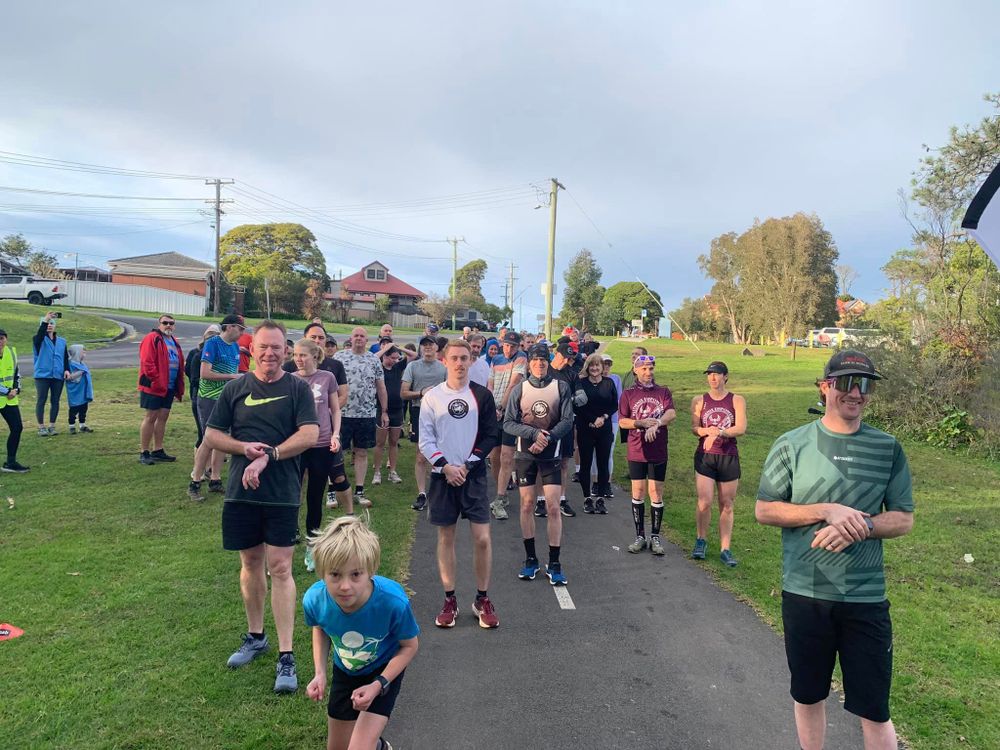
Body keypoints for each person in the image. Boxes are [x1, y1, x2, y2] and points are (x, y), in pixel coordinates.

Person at [755, 350, 914, 750]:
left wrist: (861, 526)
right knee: (808, 695)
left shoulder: (887, 447)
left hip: (865, 598)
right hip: (806, 594)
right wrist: (826, 510)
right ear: (825, 387)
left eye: (865, 385)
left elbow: (903, 518)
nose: (856, 393)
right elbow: (765, 509)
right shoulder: (791, 444)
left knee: (875, 707)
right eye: (845, 383)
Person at [204, 320, 319, 694]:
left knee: (281, 566)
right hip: (240, 491)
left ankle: (287, 654)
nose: (270, 353)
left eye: (276, 348)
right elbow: (213, 434)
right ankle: (256, 637)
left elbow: (309, 433)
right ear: (252, 350)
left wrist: (269, 454)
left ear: (287, 352)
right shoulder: (236, 388)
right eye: (263, 347)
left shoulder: (298, 388)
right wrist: (244, 449)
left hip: (281, 492)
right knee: (250, 563)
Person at [304, 516, 419, 750]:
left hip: (383, 670)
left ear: (370, 571)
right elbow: (320, 628)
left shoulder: (392, 602)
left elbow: (410, 646)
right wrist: (320, 673)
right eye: (335, 575)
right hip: (346, 670)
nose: (345, 586)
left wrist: (378, 685)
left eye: (355, 574)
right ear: (322, 572)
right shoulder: (315, 600)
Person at [418, 339, 500, 628]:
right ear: (444, 361)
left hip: (473, 476)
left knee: (482, 539)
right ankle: (449, 599)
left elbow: (492, 435)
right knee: (446, 538)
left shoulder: (482, 396)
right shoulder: (432, 397)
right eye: (454, 358)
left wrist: (467, 465)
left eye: (465, 358)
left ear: (471, 361)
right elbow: (425, 440)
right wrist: (445, 466)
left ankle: (482, 598)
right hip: (443, 478)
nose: (460, 363)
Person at [504, 344, 575, 586]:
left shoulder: (561, 387)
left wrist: (548, 437)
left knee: (554, 507)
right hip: (526, 455)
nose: (539, 364)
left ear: (549, 362)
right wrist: (534, 435)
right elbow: (509, 423)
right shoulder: (520, 389)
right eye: (535, 360)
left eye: (543, 360)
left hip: (551, 454)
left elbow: (567, 420)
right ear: (530, 363)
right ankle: (531, 559)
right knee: (526, 505)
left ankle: (554, 563)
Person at [292, 339, 349, 571]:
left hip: (322, 444)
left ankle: (312, 546)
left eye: (303, 355)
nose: (298, 359)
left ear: (315, 356)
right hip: (296, 444)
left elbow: (335, 410)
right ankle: (285, 541)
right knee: (291, 493)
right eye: (295, 354)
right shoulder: (291, 379)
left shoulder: (327, 378)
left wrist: (335, 435)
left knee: (315, 497)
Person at [618, 354, 676, 556]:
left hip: (658, 449)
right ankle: (640, 536)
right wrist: (641, 423)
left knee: (656, 492)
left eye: (651, 368)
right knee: (638, 491)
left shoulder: (663, 391)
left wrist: (657, 423)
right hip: (637, 449)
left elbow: (671, 414)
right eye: (643, 369)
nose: (648, 372)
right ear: (635, 370)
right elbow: (622, 421)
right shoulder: (628, 394)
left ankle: (655, 537)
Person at [691, 361, 747, 567]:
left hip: (728, 456)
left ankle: (725, 548)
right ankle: (701, 540)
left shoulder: (736, 400)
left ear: (726, 376)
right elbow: (694, 427)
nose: (712, 378)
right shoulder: (699, 400)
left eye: (717, 374)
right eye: (709, 374)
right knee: (704, 501)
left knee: (727, 504)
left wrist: (719, 432)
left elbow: (741, 427)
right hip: (705, 456)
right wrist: (706, 432)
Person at [188, 315, 244, 501]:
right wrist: (232, 377)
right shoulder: (212, 343)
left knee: (223, 438)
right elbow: (205, 373)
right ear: (228, 327)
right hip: (209, 398)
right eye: (240, 328)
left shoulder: (235, 347)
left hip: (227, 399)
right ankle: (195, 481)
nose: (243, 332)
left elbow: (234, 374)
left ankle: (215, 479)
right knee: (209, 439)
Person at [334, 327, 389, 507]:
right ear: (351, 338)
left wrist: (384, 411)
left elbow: (381, 387)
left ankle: (359, 490)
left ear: (367, 340)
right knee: (336, 453)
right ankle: (333, 491)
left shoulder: (373, 359)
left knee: (362, 452)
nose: (359, 338)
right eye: (356, 335)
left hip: (366, 414)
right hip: (342, 413)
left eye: (362, 336)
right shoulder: (340, 357)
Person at [401, 336, 447, 511]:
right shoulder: (413, 366)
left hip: (440, 413)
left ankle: (438, 490)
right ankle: (422, 494)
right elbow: (404, 393)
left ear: (437, 348)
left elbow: (451, 390)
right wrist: (421, 393)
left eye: (430, 345)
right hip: (419, 411)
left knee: (440, 451)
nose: (427, 348)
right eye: (424, 345)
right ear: (420, 349)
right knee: (421, 454)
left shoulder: (443, 368)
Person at [486, 331, 527, 520]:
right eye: (507, 345)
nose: (509, 349)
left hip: (510, 413)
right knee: (494, 456)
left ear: (518, 346)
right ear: (502, 344)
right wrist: (490, 406)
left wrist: (501, 407)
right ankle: (501, 492)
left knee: (506, 455)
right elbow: (490, 384)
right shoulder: (496, 360)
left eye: (513, 346)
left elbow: (513, 384)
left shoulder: (521, 359)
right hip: (494, 411)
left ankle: (500, 497)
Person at [137, 314, 185, 465]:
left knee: (163, 417)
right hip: (154, 385)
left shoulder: (174, 342)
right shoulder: (152, 338)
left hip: (168, 386)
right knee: (151, 416)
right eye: (165, 323)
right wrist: (156, 380)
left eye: (171, 323)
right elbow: (147, 361)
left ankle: (158, 449)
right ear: (159, 324)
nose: (168, 325)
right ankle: (144, 451)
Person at [574, 353, 618, 515]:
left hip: (604, 428)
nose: (594, 368)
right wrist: (592, 419)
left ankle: (600, 498)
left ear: (602, 367)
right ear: (587, 367)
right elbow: (577, 406)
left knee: (603, 463)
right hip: (586, 427)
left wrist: (603, 417)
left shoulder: (609, 383)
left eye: (597, 365)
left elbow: (614, 404)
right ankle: (587, 498)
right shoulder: (581, 383)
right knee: (586, 463)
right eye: (591, 365)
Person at [372, 346, 407, 487]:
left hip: (397, 409)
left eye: (396, 358)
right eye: (391, 358)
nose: (394, 360)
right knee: (380, 443)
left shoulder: (398, 368)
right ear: (384, 357)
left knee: (393, 442)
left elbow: (414, 354)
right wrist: (386, 347)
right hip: (382, 409)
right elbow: (374, 357)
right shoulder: (378, 368)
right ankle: (377, 472)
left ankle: (392, 471)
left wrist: (398, 348)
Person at [32, 311, 69, 436]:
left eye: (52, 323)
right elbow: (40, 335)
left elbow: (65, 358)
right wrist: (45, 320)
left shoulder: (62, 341)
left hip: (58, 376)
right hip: (42, 375)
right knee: (41, 400)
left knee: (55, 400)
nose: (49, 325)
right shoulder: (38, 339)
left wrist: (67, 370)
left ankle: (52, 426)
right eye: (48, 323)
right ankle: (41, 427)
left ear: (55, 326)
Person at [186, 324, 222, 448]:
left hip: (215, 396)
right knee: (204, 434)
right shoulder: (196, 355)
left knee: (217, 432)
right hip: (200, 395)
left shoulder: (219, 355)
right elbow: (192, 376)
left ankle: (214, 459)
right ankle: (201, 465)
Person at [0, 328, 28, 472]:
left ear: (6, 339)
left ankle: (11, 462)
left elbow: (17, 373)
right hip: (5, 395)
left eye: (1, 338)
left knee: (17, 427)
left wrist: (17, 389)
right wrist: (7, 391)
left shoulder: (11, 352)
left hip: (9, 399)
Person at [65, 345, 94, 434]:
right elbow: (69, 377)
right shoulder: (70, 364)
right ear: (77, 353)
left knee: (83, 408)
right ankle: (72, 426)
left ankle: (82, 425)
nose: (84, 354)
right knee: (74, 408)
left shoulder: (82, 364)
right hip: (75, 391)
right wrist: (81, 372)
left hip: (83, 391)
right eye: (83, 352)